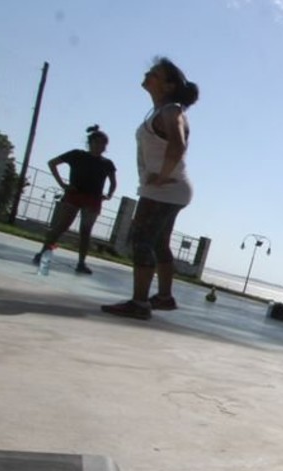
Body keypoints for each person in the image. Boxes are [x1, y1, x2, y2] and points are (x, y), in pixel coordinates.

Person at [101, 58, 197, 319]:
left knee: (141, 240)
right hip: (173, 189)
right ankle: (164, 297)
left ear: (168, 85)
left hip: (164, 190)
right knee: (160, 243)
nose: (147, 74)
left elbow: (177, 145)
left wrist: (160, 177)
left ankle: (140, 303)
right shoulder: (163, 111)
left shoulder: (170, 111)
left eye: (154, 73)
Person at [34, 125, 117, 274]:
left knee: (85, 232)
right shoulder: (77, 155)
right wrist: (62, 184)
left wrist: (109, 195)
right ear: (90, 143)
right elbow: (52, 163)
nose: (100, 147)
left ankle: (81, 263)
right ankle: (42, 254)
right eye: (97, 143)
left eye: (103, 144)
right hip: (74, 195)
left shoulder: (107, 164)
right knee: (61, 227)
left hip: (93, 199)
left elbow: (113, 182)